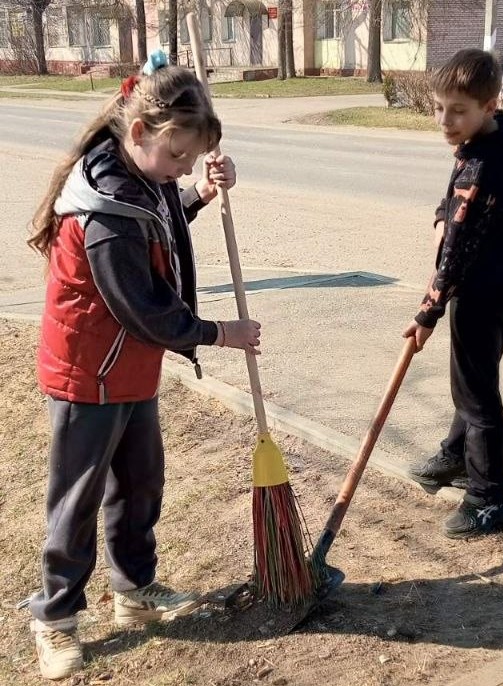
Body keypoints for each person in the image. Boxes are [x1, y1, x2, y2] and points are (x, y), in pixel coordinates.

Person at [26, 50, 261, 681]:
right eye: (179, 156)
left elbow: (159, 221)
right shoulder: (105, 209)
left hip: (128, 366)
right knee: (76, 500)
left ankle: (133, 591)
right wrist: (219, 333)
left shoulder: (141, 176)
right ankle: (55, 617)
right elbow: (144, 308)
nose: (182, 167)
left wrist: (199, 192)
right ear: (139, 131)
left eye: (190, 158)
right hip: (88, 371)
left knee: (139, 483)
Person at [404, 49, 503, 539]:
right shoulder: (498, 142)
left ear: (489, 106)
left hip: (480, 293)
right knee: (472, 380)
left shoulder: (482, 166)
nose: (444, 120)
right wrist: (445, 215)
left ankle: (487, 498)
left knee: (477, 397)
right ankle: (457, 455)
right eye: (439, 108)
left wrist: (427, 314)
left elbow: (454, 258)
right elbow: (456, 205)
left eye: (458, 111)